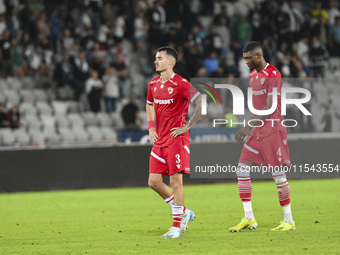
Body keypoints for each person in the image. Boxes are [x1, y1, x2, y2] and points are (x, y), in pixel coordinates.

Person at [229, 42, 295, 232]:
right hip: (258, 131)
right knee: (241, 170)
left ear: (259, 55)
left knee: (278, 175)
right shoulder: (252, 75)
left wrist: (248, 125)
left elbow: (271, 105)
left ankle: (289, 220)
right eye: (244, 59)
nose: (247, 62)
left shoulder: (273, 74)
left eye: (249, 58)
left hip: (273, 130)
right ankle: (249, 218)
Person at [146, 46, 201, 239]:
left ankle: (177, 226)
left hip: (177, 138)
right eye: (155, 58)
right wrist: (151, 127)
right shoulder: (153, 83)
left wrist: (188, 125)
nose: (156, 61)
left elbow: (201, 101)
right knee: (153, 182)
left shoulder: (181, 84)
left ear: (170, 62)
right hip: (160, 139)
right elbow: (149, 104)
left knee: (175, 182)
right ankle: (184, 211)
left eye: (159, 58)